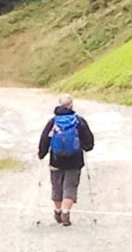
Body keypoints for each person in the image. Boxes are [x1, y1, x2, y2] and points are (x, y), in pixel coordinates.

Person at [38, 93, 95, 226]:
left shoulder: (53, 121)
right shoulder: (79, 121)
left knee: (57, 187)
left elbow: (44, 139)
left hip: (56, 160)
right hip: (75, 160)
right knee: (70, 186)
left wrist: (42, 154)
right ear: (71, 105)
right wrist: (87, 147)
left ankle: (57, 210)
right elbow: (88, 141)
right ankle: (65, 212)